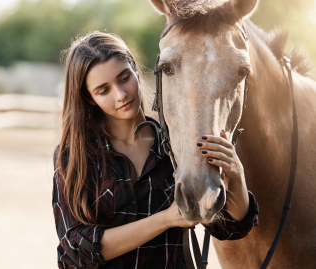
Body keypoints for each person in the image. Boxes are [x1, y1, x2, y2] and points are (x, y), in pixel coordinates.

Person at [52, 32, 259, 269]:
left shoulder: (177, 145)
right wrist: (166, 219)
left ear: (136, 70)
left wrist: (235, 174)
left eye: (124, 77)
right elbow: (78, 248)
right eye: (103, 90)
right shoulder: (75, 156)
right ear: (89, 99)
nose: (121, 95)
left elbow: (229, 228)